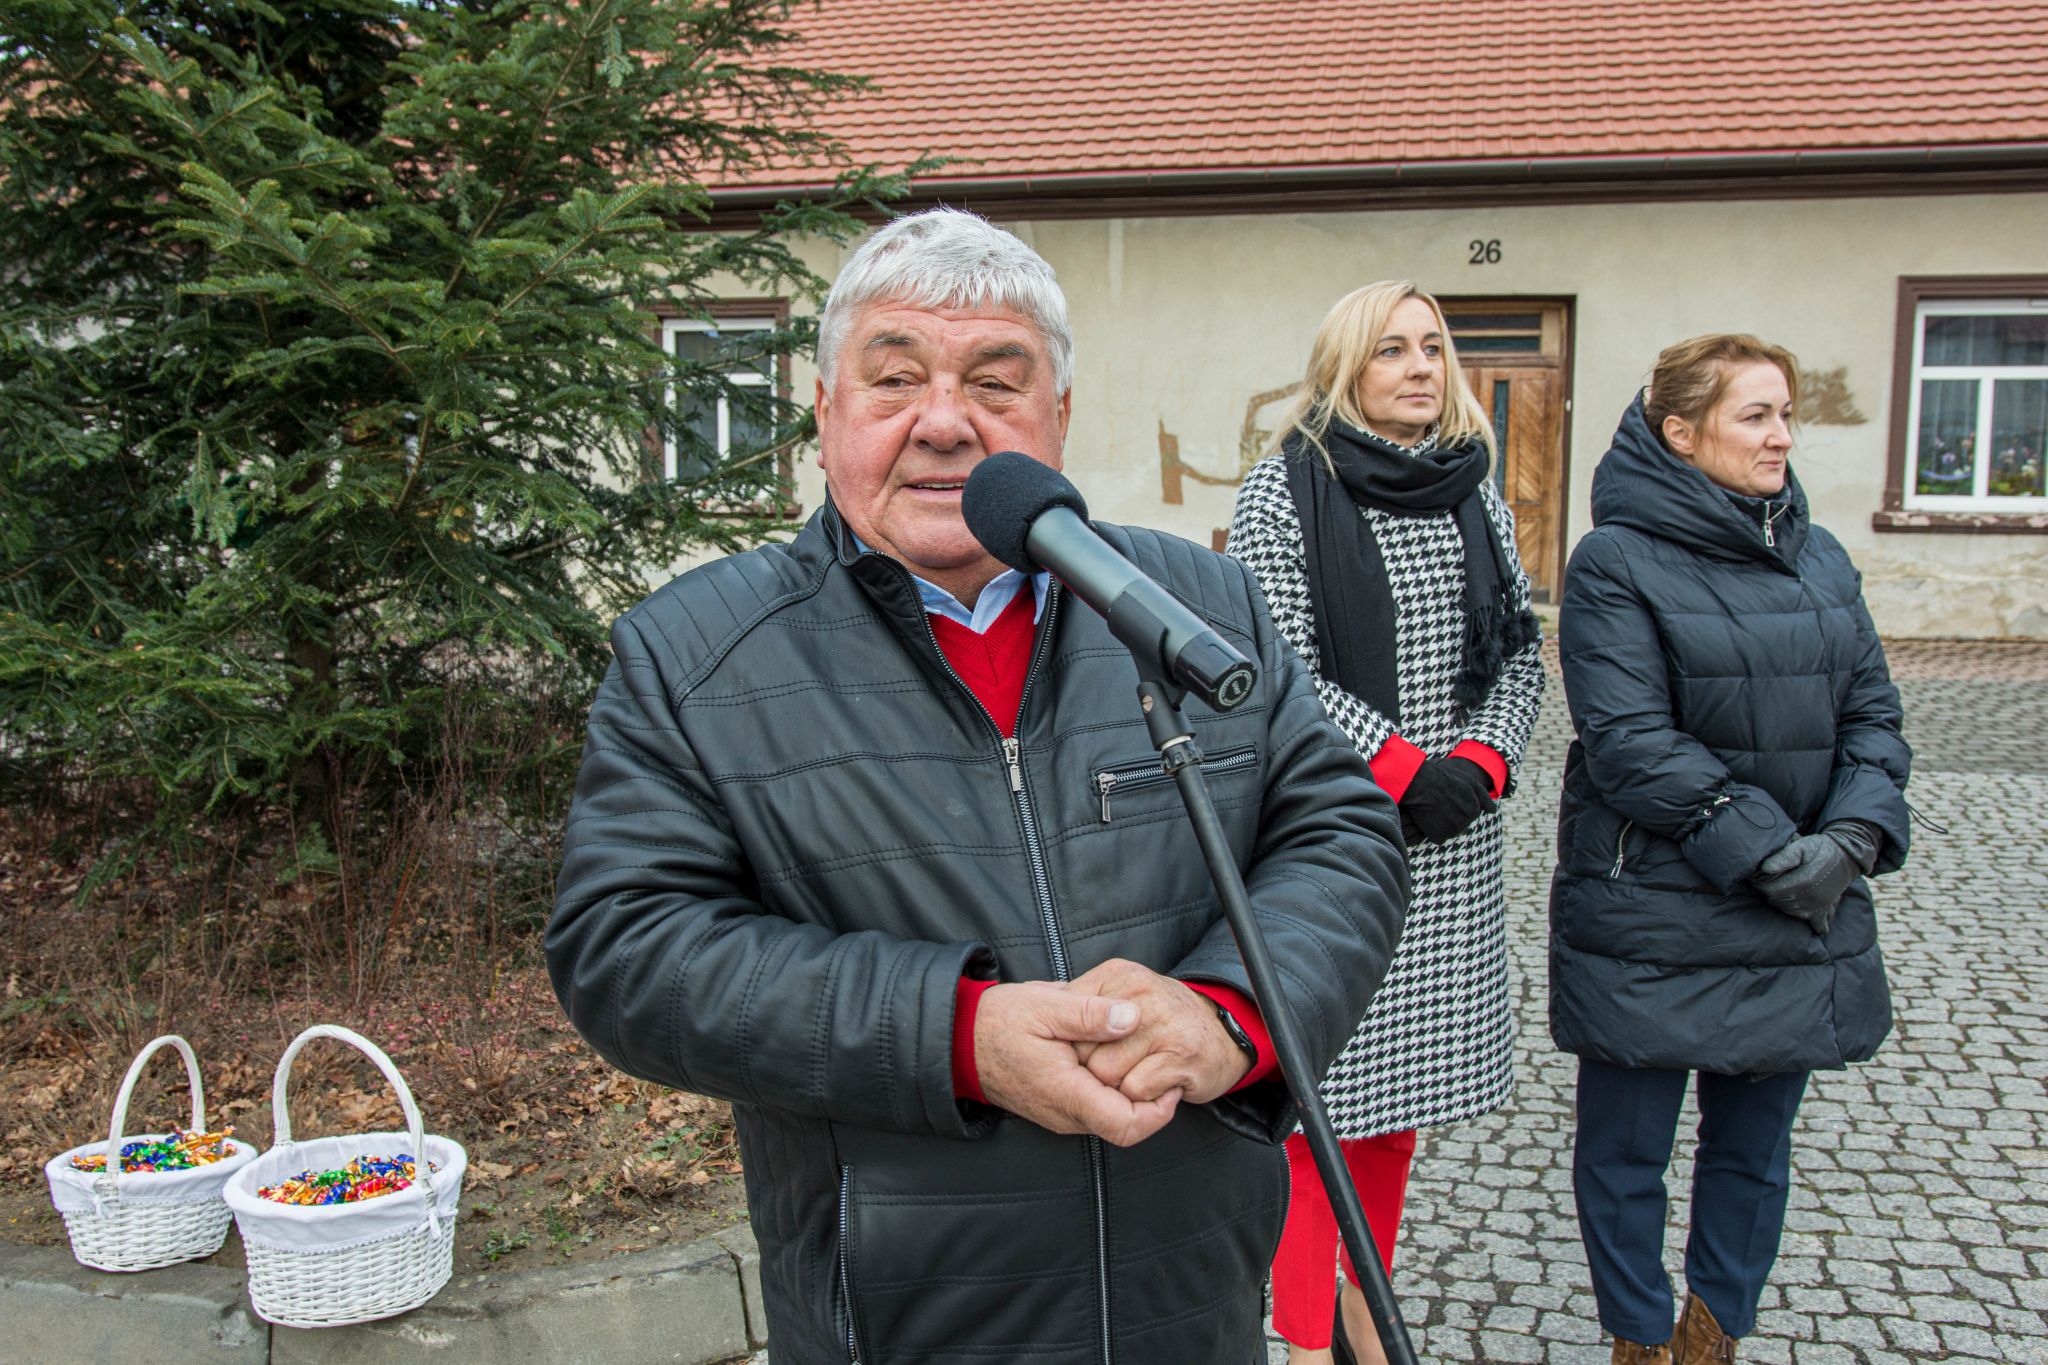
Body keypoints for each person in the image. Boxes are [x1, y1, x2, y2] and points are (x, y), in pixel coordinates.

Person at [545, 208, 1411, 1365]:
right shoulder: (694, 654)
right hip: (897, 1325)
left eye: (996, 384)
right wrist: (956, 1035)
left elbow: (1338, 831)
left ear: (1059, 417)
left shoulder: (1193, 603)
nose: (945, 422)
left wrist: (1229, 1015)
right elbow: (624, 946)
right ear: (823, 412)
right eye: (894, 378)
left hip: (1192, 1303)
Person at [1551, 335, 1911, 1365]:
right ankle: (1636, 1338)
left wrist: (1850, 838)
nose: (1781, 436)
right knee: (1624, 1153)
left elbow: (1874, 715)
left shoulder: (1820, 555)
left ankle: (1713, 1336)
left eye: (1785, 413)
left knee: (1753, 1151)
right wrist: (1767, 853)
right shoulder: (1614, 562)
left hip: (1802, 900)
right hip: (1654, 908)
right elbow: (1629, 741)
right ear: (1680, 431)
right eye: (1755, 414)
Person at [1228, 281, 1545, 1365]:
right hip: (1337, 832)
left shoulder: (1473, 491)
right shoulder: (1283, 491)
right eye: (1389, 350)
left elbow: (1518, 650)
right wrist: (1404, 769)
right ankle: (1304, 1340)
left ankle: (1369, 1316)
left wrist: (1483, 762)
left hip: (1453, 846)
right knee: (1315, 1111)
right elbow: (1278, 665)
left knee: (1392, 1108)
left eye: (1431, 347)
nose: (1419, 367)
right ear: (1343, 370)